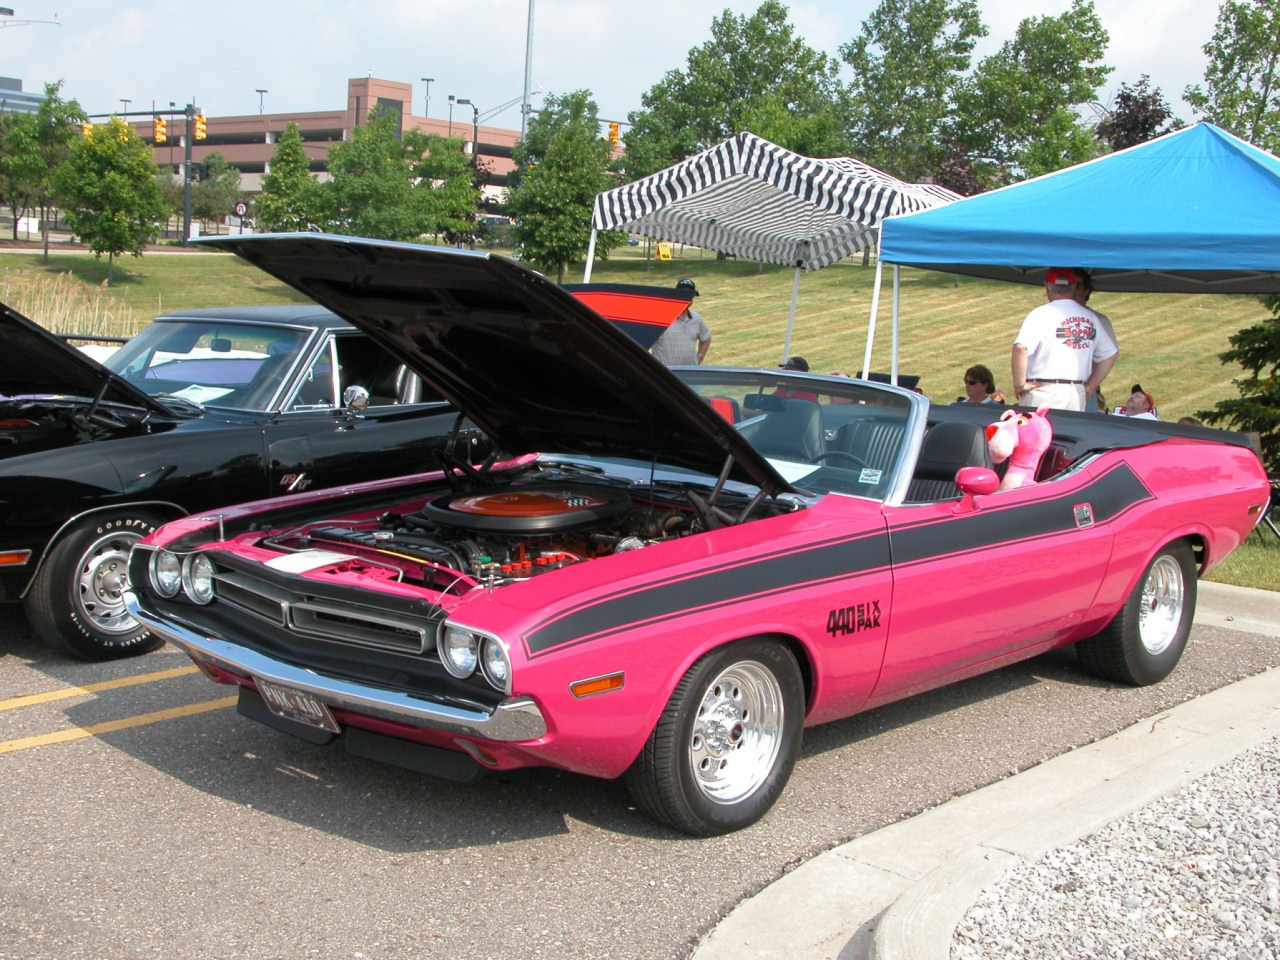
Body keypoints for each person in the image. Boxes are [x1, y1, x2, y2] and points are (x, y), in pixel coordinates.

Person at [1012, 267, 1117, 412]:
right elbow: (1110, 354)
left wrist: (1019, 385)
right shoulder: (1090, 317)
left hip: (1043, 391)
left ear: (1047, 286)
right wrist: (1090, 386)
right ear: (1073, 286)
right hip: (1075, 393)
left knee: (1038, 434)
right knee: (1070, 434)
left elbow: (1020, 348)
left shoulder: (1040, 314)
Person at [1073, 269, 1118, 413]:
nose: (1073, 289)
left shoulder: (1099, 320)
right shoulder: (1052, 315)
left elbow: (1109, 355)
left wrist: (1090, 386)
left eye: (1078, 285)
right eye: (1070, 284)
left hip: (1083, 390)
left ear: (1087, 291)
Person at [650, 278, 711, 365]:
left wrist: (700, 357)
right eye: (683, 293)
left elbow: (706, 337)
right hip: (664, 374)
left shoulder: (696, 319)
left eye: (690, 294)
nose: (686, 297)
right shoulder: (659, 318)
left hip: (689, 373)